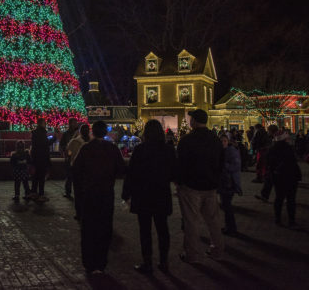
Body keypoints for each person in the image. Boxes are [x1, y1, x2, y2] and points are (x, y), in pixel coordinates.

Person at [122, 120, 176, 273]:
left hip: (143, 194)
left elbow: (131, 173)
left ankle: (147, 262)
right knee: (163, 229)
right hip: (161, 193)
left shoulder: (140, 150)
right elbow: (174, 172)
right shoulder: (168, 150)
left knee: (145, 230)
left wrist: (126, 193)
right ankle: (163, 261)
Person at [72, 120, 126, 274]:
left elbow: (76, 169)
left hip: (89, 193)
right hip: (106, 194)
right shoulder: (113, 149)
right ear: (105, 132)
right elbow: (122, 169)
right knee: (104, 227)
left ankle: (89, 262)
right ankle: (101, 262)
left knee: (89, 228)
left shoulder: (86, 148)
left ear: (93, 132)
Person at [176, 109, 225, 263]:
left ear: (194, 121)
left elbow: (180, 164)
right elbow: (221, 163)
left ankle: (192, 254)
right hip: (210, 186)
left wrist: (179, 181)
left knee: (191, 221)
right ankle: (217, 250)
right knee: (213, 220)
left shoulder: (186, 140)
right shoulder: (215, 140)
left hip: (191, 186)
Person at [218, 134, 242, 235]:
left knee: (227, 206)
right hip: (224, 182)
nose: (223, 143)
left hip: (229, 182)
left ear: (228, 141)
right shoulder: (222, 151)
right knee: (225, 205)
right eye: (221, 141)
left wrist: (224, 165)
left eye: (224, 141)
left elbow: (235, 166)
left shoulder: (231, 151)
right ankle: (229, 226)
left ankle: (231, 228)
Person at [67, 124, 90, 220]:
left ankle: (81, 212)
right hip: (84, 170)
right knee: (82, 192)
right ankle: (82, 211)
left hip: (81, 169)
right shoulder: (91, 142)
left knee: (80, 192)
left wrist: (71, 158)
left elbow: (68, 152)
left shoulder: (75, 141)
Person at [30, 118, 54, 202]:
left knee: (35, 177)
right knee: (41, 177)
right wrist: (54, 138)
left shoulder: (35, 133)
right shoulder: (42, 132)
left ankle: (33, 193)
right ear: (41, 124)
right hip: (42, 158)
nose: (46, 124)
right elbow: (45, 144)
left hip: (36, 158)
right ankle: (41, 194)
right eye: (45, 123)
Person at [60, 118, 79, 199]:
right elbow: (62, 144)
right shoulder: (66, 134)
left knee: (77, 176)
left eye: (76, 123)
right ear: (70, 124)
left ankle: (77, 192)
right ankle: (68, 192)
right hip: (69, 157)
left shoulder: (78, 133)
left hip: (77, 157)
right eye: (74, 123)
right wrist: (66, 150)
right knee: (69, 176)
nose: (75, 124)